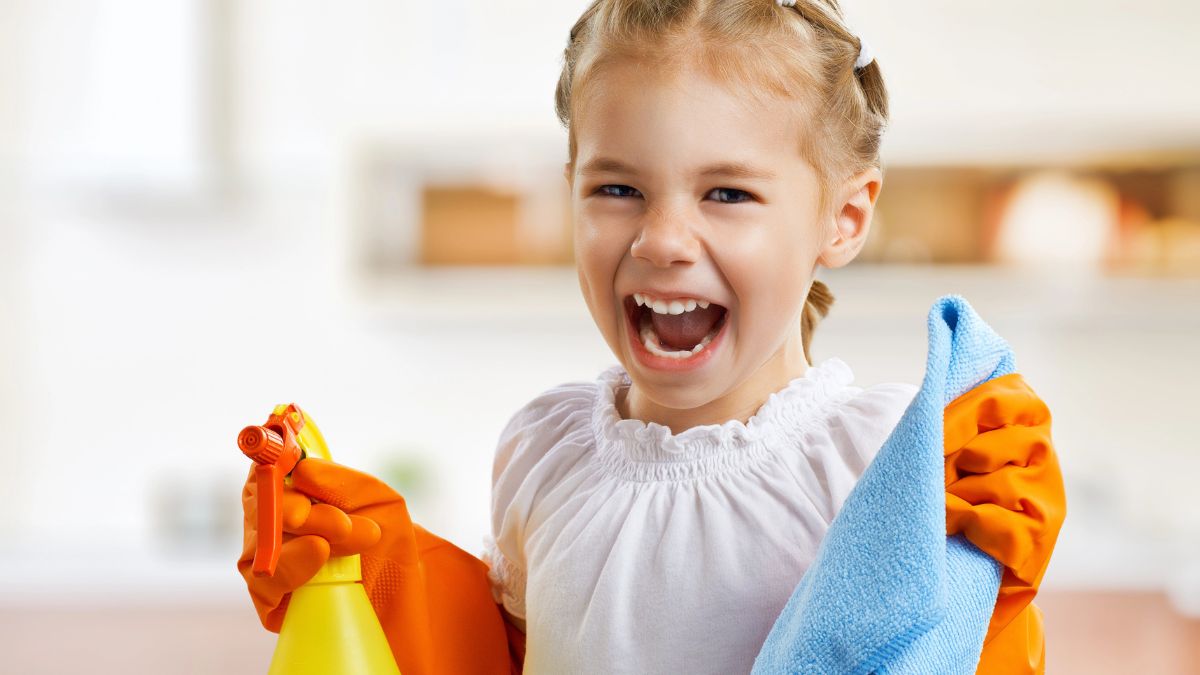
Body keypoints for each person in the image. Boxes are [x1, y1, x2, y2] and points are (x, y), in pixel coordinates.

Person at [239, 1, 1061, 673]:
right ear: (571, 192)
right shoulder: (541, 448)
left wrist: (986, 593)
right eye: (619, 187)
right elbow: (500, 657)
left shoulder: (892, 468)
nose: (662, 238)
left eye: (728, 193)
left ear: (843, 218)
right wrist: (376, 572)